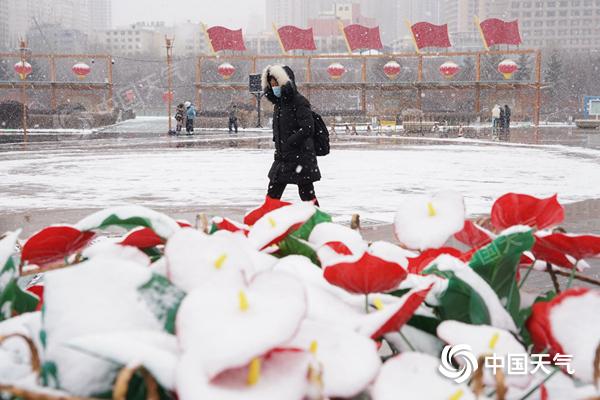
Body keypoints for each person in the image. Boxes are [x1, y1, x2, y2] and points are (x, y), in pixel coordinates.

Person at [261, 64, 321, 205]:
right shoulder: (279, 105)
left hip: (300, 157)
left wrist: (290, 142)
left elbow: (308, 128)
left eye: (276, 83)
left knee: (307, 195)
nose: (274, 86)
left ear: (285, 82)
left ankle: (319, 222)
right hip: (283, 158)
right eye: (271, 84)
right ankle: (266, 222)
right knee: (272, 194)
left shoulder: (299, 102)